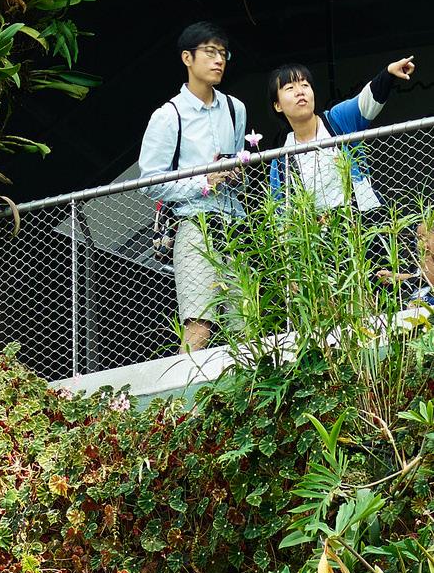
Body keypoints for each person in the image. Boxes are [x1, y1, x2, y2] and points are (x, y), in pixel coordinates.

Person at [139, 21, 248, 353]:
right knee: (199, 324)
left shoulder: (236, 108)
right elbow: (149, 182)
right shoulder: (168, 115)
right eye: (210, 52)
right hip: (194, 224)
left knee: (246, 325)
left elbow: (239, 161)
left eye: (223, 53)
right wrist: (204, 181)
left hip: (235, 225)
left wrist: (234, 173)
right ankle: (185, 389)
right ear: (187, 58)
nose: (219, 60)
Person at [266, 56, 416, 213]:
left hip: (364, 218)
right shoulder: (282, 159)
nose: (300, 92)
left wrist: (389, 73)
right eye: (290, 88)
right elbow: (280, 212)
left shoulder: (336, 120)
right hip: (320, 227)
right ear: (278, 105)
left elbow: (365, 101)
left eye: (305, 85)